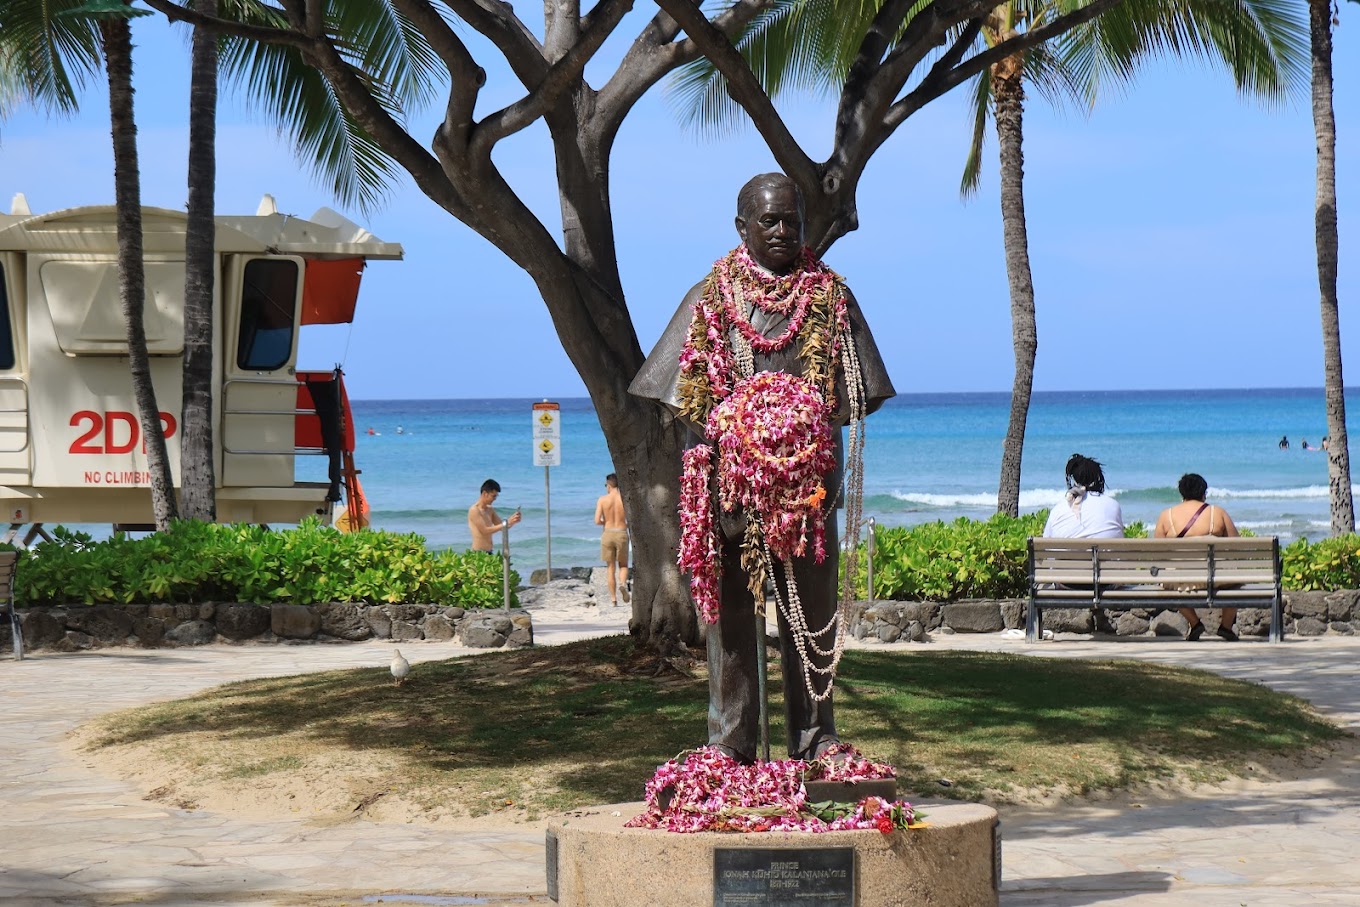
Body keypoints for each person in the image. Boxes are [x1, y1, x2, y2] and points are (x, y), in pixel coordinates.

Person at [630, 172, 895, 764]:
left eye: (791, 220)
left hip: (807, 495)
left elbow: (857, 392)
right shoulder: (711, 298)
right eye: (768, 221)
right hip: (730, 495)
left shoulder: (830, 296)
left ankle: (816, 738)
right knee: (731, 624)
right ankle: (730, 746)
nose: (781, 231)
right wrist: (739, 439)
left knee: (814, 622)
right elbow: (684, 399)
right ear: (741, 227)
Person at [1154, 473, 1240, 641]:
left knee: (1167, 584)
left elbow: (1158, 551)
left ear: (1181, 493)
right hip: (1216, 577)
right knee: (1235, 581)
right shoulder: (1218, 512)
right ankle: (1226, 626)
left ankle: (1195, 623)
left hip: (1182, 578)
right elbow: (1236, 545)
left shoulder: (1167, 515)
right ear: (1204, 492)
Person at [1042, 454, 1124, 539]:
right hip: (1104, 552)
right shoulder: (1113, 506)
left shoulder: (1058, 510)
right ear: (1098, 479)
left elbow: (1044, 545)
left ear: (1074, 480)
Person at [594, 473, 630, 606]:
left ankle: (613, 599)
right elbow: (630, 519)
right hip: (621, 532)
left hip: (608, 533)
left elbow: (597, 520)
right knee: (624, 565)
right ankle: (622, 583)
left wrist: (606, 522)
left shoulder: (603, 500)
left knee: (610, 567)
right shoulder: (624, 499)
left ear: (609, 485)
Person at [467, 479, 521, 553]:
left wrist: (513, 520)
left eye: (496, 496)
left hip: (489, 551)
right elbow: (484, 531)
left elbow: (502, 528)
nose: (495, 499)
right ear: (485, 493)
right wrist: (506, 523)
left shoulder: (490, 509)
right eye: (493, 496)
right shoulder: (474, 510)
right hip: (478, 553)